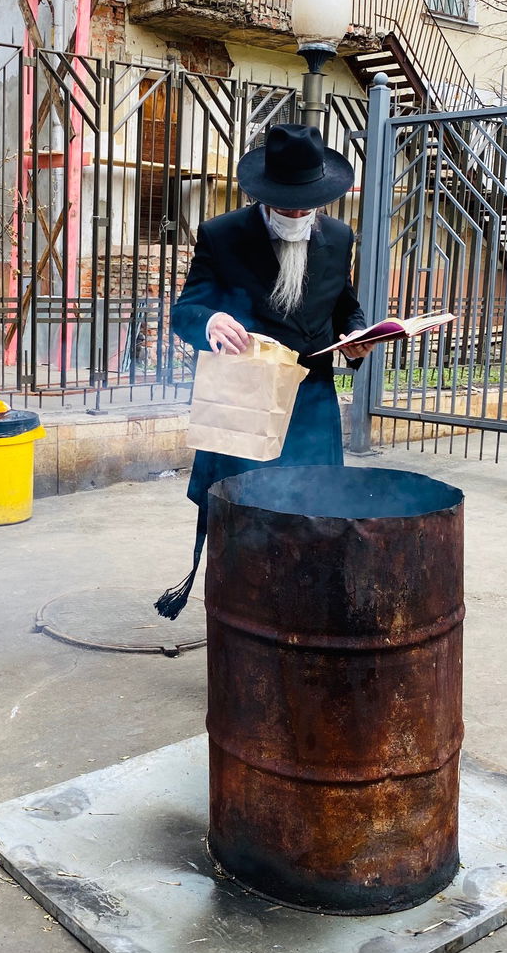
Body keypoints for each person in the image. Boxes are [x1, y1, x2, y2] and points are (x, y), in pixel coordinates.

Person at [155, 124, 373, 618]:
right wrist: (210, 320)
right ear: (265, 195)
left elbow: (344, 304)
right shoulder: (223, 234)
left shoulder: (339, 237)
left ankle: (306, 615)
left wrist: (359, 337)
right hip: (244, 402)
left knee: (316, 513)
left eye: (306, 206)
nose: (297, 215)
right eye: (286, 206)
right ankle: (243, 621)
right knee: (245, 520)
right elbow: (185, 311)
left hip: (312, 401)